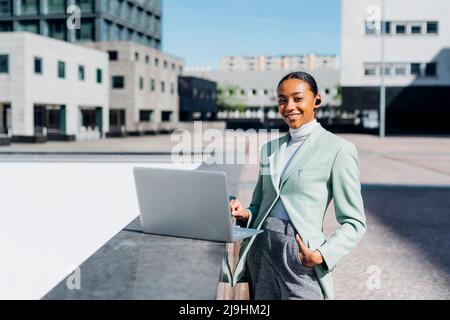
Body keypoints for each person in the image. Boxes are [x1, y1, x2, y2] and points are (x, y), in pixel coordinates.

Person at [227, 71, 367, 300]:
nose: (289, 106)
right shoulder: (270, 149)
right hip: (260, 248)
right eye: (282, 100)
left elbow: (355, 222)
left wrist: (321, 255)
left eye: (297, 98)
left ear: (317, 100)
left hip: (299, 254)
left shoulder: (339, 149)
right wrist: (244, 214)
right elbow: (259, 205)